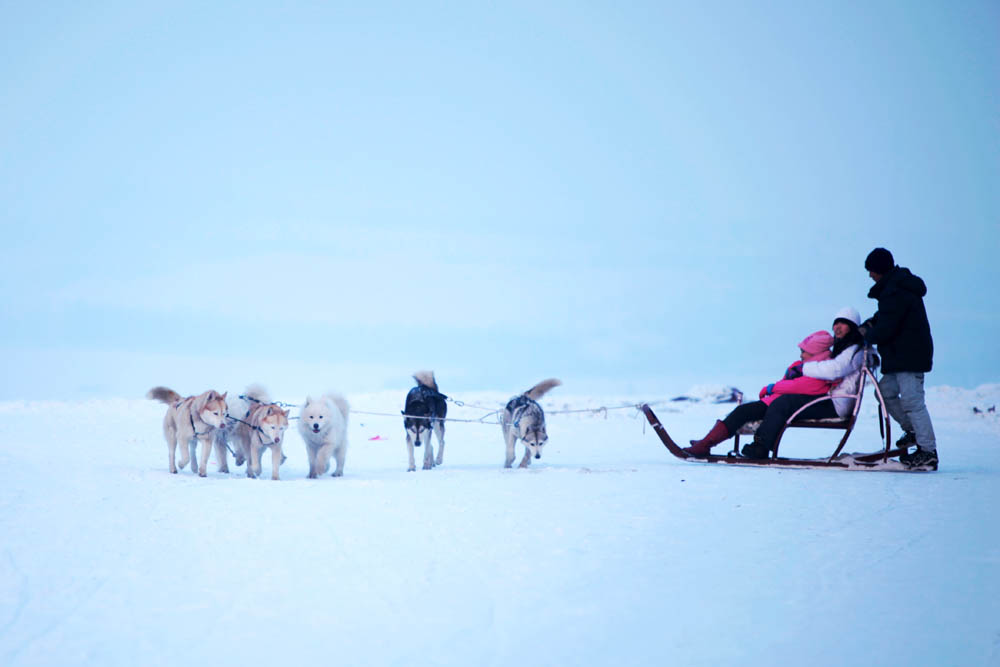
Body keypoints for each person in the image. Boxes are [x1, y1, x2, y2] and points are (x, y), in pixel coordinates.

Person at [684, 330, 837, 458]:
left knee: (744, 412)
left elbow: (800, 386)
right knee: (741, 411)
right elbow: (791, 385)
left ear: (815, 352)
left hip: (788, 406)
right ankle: (706, 443)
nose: (801, 355)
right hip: (775, 402)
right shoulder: (802, 367)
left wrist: (772, 388)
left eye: (804, 352)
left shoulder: (822, 370)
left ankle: (754, 447)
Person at [859, 248, 937, 470]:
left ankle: (928, 452)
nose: (870, 275)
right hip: (900, 357)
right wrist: (870, 325)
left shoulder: (897, 291)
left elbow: (887, 326)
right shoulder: (893, 290)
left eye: (871, 270)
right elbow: (885, 317)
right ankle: (912, 430)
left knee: (913, 401)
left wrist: (867, 335)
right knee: (884, 392)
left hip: (909, 356)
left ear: (880, 269)